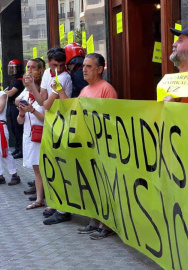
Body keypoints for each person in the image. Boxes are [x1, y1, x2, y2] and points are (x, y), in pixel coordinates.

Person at [45, 53, 117, 240]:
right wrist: (60, 92)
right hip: (88, 146)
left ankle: (107, 224)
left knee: (104, 186)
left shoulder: (106, 89)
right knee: (93, 185)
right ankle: (95, 219)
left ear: (100, 69)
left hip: (102, 146)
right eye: (83, 66)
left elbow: (110, 119)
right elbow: (73, 111)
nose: (84, 69)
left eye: (89, 66)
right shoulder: (85, 90)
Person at [15, 58, 46, 210]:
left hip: (42, 135)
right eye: (28, 67)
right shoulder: (27, 92)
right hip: (29, 134)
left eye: (33, 67)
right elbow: (20, 121)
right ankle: (39, 199)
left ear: (41, 71)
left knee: (43, 168)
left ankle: (45, 199)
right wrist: (21, 113)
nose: (29, 70)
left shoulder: (43, 91)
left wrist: (32, 110)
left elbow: (47, 118)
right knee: (36, 168)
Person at [5, 59, 25, 159]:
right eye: (11, 69)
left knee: (18, 129)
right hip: (11, 105)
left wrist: (5, 93)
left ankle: (21, 149)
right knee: (13, 128)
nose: (12, 71)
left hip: (17, 107)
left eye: (14, 69)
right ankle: (17, 148)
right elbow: (7, 92)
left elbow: (9, 93)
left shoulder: (19, 81)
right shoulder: (12, 81)